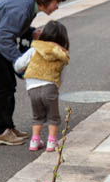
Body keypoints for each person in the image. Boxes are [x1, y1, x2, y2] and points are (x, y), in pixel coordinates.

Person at [0, 0, 67, 146]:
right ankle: (0, 132)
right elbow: (3, 36)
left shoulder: (30, 4)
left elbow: (13, 28)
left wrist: (31, 33)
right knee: (3, 87)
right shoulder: (22, 8)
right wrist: (19, 61)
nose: (57, 6)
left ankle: (8, 126)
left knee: (9, 85)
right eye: (56, 1)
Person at [13, 21, 70, 152]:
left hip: (32, 89)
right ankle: (51, 142)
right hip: (50, 87)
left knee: (37, 116)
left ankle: (34, 141)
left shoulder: (34, 49)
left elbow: (18, 65)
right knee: (53, 117)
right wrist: (56, 87)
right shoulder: (61, 54)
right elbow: (61, 76)